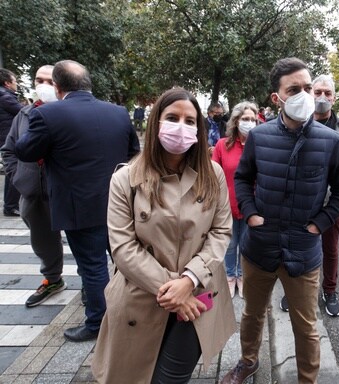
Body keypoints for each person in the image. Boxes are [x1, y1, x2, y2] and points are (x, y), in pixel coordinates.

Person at [221, 57, 339, 384]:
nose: (306, 95)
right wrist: (250, 213)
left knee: (306, 325)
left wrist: (318, 224)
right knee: (252, 314)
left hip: (303, 251)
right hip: (259, 248)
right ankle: (248, 361)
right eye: (294, 89)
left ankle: (307, 379)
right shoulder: (260, 136)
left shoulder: (331, 140)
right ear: (276, 97)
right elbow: (242, 178)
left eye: (307, 87)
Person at [92, 87, 235, 383]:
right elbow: (122, 248)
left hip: (201, 293)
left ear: (199, 128)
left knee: (171, 377)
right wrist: (174, 290)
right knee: (134, 374)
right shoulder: (125, 179)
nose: (180, 127)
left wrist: (189, 281)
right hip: (142, 295)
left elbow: (221, 232)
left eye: (190, 120)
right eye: (172, 117)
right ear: (156, 121)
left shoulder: (213, 174)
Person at [15, 60, 140, 342]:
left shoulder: (47, 115)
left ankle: (98, 324)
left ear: (58, 87)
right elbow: (133, 151)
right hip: (120, 203)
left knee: (93, 267)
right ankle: (134, 313)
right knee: (126, 262)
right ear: (88, 83)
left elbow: (24, 150)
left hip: (78, 208)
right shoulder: (118, 113)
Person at [279, 74, 339, 317]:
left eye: (327, 93)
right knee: (296, 248)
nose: (322, 97)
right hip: (300, 205)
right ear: (309, 94)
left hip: (331, 207)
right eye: (318, 92)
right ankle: (293, 290)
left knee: (331, 250)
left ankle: (330, 290)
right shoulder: (298, 123)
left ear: (334, 98)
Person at [1, 65, 65, 307]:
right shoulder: (24, 114)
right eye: (39, 80)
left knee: (85, 240)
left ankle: (89, 284)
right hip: (34, 192)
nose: (43, 85)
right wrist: (19, 176)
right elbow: (9, 149)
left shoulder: (71, 114)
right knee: (42, 239)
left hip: (67, 190)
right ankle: (52, 279)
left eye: (49, 81)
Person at [212, 101, 258, 298]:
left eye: (253, 119)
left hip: (252, 207)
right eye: (245, 119)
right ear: (236, 121)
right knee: (230, 245)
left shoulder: (260, 145)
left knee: (247, 244)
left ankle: (243, 276)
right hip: (227, 206)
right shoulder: (223, 145)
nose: (249, 123)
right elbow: (213, 174)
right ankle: (231, 275)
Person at [0, 68, 23, 217]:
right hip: (9, 138)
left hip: (6, 137)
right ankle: (10, 206)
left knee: (11, 171)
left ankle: (10, 205)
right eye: (15, 81)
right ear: (7, 83)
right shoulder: (5, 97)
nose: (16, 84)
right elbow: (24, 112)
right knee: (15, 170)